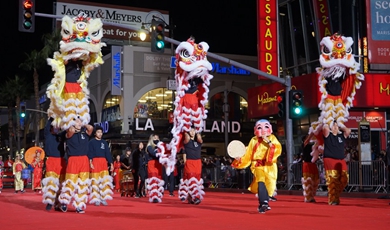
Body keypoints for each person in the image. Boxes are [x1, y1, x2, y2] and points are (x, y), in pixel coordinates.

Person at [231, 119, 282, 214]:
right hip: (257, 165)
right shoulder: (253, 140)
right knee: (260, 181)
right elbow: (248, 154)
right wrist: (240, 159)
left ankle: (263, 204)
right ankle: (264, 203)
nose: (263, 130)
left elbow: (277, 149)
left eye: (266, 127)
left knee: (270, 184)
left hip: (269, 166)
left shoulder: (273, 138)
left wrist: (269, 142)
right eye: (259, 127)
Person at [58, 117, 93, 214]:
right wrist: (72, 121)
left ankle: (79, 205)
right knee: (70, 182)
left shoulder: (84, 133)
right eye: (77, 121)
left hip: (84, 160)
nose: (79, 123)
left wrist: (83, 123)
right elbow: (71, 130)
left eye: (80, 121)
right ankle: (64, 202)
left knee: (83, 184)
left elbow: (90, 128)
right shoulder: (69, 133)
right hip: (73, 159)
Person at [322, 121, 351, 205]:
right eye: (333, 125)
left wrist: (340, 125)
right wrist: (328, 119)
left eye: (336, 125)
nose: (335, 126)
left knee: (344, 179)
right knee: (333, 180)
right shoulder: (328, 135)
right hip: (330, 159)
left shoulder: (341, 136)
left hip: (341, 160)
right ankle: (333, 199)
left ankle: (335, 195)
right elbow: (325, 128)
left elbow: (348, 131)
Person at [42, 117, 67, 211]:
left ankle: (59, 203)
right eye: (55, 125)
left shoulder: (61, 136)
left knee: (61, 183)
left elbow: (68, 129)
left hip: (61, 161)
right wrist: (52, 116)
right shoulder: (48, 134)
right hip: (51, 161)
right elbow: (47, 126)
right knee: (51, 182)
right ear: (52, 127)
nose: (57, 127)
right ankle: (49, 201)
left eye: (58, 126)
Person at [88, 126, 114, 206]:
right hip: (95, 162)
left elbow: (108, 154)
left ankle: (103, 198)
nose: (100, 134)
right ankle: (96, 199)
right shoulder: (91, 142)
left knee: (104, 181)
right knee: (95, 181)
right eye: (98, 132)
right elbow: (90, 153)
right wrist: (90, 162)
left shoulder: (104, 142)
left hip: (103, 163)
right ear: (95, 133)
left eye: (101, 132)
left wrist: (111, 164)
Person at [178, 127, 205, 204]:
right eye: (191, 131)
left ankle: (190, 197)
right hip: (190, 162)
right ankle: (196, 197)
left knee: (197, 181)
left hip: (198, 163)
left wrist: (197, 127)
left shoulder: (198, 141)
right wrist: (185, 126)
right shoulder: (186, 141)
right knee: (191, 180)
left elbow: (199, 137)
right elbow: (186, 136)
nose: (192, 132)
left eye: (194, 131)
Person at [146, 134, 164, 203]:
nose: (156, 139)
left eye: (157, 138)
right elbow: (153, 154)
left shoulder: (160, 147)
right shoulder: (149, 147)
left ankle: (158, 195)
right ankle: (154, 196)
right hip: (152, 164)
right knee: (153, 180)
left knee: (159, 180)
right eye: (154, 138)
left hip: (158, 164)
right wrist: (158, 149)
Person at [301, 135, 319, 203]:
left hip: (313, 164)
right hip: (307, 164)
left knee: (315, 180)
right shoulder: (304, 145)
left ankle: (312, 196)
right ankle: (308, 197)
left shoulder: (313, 145)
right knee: (308, 181)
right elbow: (307, 141)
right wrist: (311, 134)